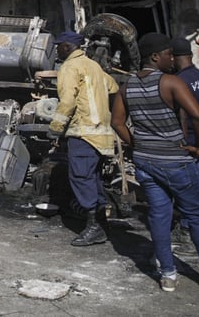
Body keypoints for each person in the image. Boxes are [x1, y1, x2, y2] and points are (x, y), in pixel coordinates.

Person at [112, 33, 199, 293]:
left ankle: (168, 275)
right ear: (155, 57)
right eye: (168, 54)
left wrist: (137, 144)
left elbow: (117, 123)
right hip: (176, 162)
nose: (172, 58)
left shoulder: (127, 86)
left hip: (146, 162)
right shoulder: (171, 83)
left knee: (159, 216)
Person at [48, 30, 119, 246]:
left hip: (83, 132)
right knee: (92, 178)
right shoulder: (93, 65)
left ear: (68, 47)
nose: (56, 49)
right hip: (100, 133)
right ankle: (101, 224)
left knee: (80, 177)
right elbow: (114, 87)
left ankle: (95, 226)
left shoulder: (70, 67)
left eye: (59, 45)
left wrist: (56, 127)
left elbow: (68, 101)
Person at [170, 36, 199, 245]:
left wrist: (181, 142)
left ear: (172, 57)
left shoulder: (179, 82)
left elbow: (182, 115)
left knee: (191, 188)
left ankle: (191, 229)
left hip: (189, 141)